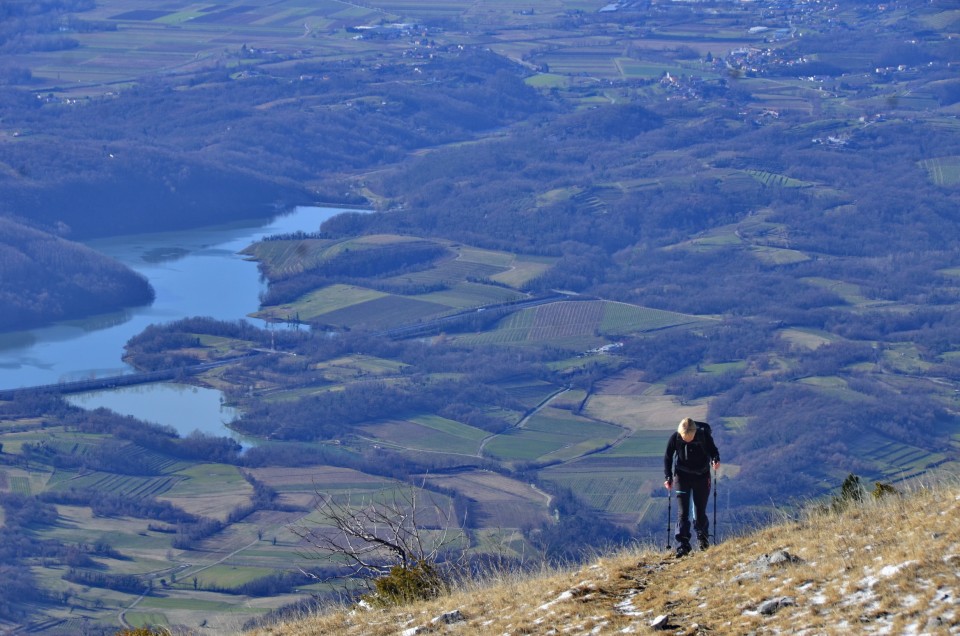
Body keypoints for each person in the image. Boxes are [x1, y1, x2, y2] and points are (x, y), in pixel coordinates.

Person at [664, 417, 720, 557]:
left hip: (702, 477)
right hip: (682, 477)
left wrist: (715, 460)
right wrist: (668, 477)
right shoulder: (675, 438)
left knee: (699, 511)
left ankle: (703, 540)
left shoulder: (703, 435)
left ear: (694, 432)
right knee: (683, 512)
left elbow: (714, 451)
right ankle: (683, 544)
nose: (686, 440)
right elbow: (668, 457)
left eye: (688, 437)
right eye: (684, 437)